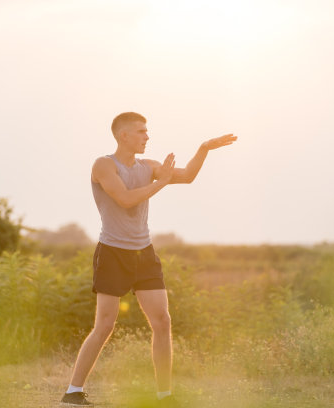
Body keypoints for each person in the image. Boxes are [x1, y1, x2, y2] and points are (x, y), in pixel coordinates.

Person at [61, 112, 237, 407]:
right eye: (141, 131)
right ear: (123, 136)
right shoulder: (104, 165)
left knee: (162, 321)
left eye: (147, 131)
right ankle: (73, 391)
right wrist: (162, 183)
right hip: (112, 252)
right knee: (105, 324)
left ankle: (164, 396)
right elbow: (126, 199)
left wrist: (204, 148)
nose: (147, 136)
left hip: (144, 253)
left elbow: (187, 176)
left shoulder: (149, 166)